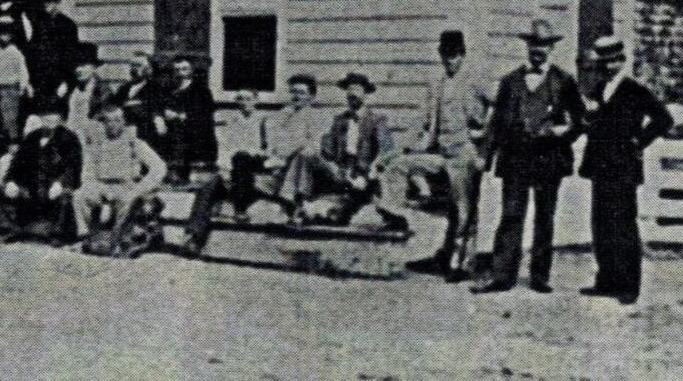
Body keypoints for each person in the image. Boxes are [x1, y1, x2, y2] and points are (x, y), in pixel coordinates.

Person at [474, 18, 585, 295]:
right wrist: (485, 157)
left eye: (544, 45)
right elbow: (497, 123)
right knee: (511, 215)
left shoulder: (564, 81)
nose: (539, 50)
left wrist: (562, 133)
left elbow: (580, 121)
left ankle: (540, 276)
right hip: (515, 159)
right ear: (527, 46)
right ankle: (502, 275)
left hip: (549, 159)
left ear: (551, 48)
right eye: (534, 44)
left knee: (544, 218)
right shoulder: (510, 82)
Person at [386, 29, 493, 280]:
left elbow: (500, 104)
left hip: (465, 154)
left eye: (455, 55)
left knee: (464, 210)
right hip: (440, 152)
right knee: (401, 166)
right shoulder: (437, 83)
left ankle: (461, 263)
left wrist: (484, 136)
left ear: (463, 55)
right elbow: (423, 120)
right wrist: (405, 146)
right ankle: (396, 215)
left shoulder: (476, 80)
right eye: (445, 55)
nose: (450, 60)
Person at [577, 35, 673, 304]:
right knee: (601, 225)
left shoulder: (635, 90)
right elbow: (592, 121)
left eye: (613, 61)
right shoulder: (597, 90)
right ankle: (607, 280)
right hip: (600, 165)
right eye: (603, 62)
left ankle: (630, 285)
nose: (608, 67)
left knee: (624, 226)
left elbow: (664, 119)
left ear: (622, 61)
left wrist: (639, 141)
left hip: (623, 167)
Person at [184, 80, 312, 253]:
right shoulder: (228, 122)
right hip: (232, 170)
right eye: (240, 99)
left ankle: (240, 206)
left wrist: (260, 154)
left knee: (243, 157)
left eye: (248, 98)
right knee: (206, 189)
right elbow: (223, 150)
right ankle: (193, 236)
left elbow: (271, 148)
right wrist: (224, 171)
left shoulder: (265, 121)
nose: (244, 102)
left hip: (254, 167)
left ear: (256, 100)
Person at [297, 72, 405, 230]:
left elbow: (386, 152)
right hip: (342, 173)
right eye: (349, 90)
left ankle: (333, 212)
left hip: (364, 177)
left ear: (365, 93)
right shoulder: (339, 121)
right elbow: (328, 151)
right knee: (308, 154)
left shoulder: (376, 120)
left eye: (356, 89)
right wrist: (330, 164)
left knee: (340, 214)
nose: (352, 94)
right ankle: (300, 201)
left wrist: (368, 175)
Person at [74, 102, 167, 251]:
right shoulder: (98, 143)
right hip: (102, 185)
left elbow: (159, 167)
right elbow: (88, 170)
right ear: (103, 123)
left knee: (127, 199)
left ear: (124, 121)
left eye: (117, 120)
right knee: (80, 196)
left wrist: (141, 188)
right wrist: (90, 184)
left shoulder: (134, 142)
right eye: (108, 121)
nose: (113, 124)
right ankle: (89, 238)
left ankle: (117, 240)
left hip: (126, 185)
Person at [0, 96, 83, 240]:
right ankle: (12, 230)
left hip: (54, 186)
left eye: (53, 114)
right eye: (45, 114)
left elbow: (73, 167)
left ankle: (56, 234)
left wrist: (61, 183)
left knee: (65, 197)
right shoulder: (32, 137)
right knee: (3, 189)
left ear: (60, 118)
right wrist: (11, 180)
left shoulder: (69, 138)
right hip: (31, 186)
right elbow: (17, 163)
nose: (49, 118)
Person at [155, 54, 217, 182]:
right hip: (169, 132)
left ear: (191, 71)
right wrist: (158, 118)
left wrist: (179, 116)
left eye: (184, 69)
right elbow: (157, 107)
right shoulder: (168, 90)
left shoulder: (201, 91)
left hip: (194, 135)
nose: (180, 73)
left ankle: (178, 175)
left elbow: (204, 116)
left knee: (179, 136)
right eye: (177, 70)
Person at [23, 0, 82, 101]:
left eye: (53, 0)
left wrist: (67, 82)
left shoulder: (68, 25)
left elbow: (71, 57)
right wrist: (28, 81)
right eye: (46, 0)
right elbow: (30, 54)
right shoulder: (36, 23)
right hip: (38, 81)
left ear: (59, 1)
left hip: (59, 82)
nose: (48, 4)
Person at [0, 17, 31, 146]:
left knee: (10, 117)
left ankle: (13, 142)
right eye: (1, 34)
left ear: (11, 35)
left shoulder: (15, 52)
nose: (3, 37)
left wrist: (22, 87)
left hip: (10, 88)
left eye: (7, 34)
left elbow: (23, 71)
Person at [64, 43, 111, 131]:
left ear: (94, 67)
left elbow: (105, 119)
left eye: (83, 65)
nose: (78, 70)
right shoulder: (69, 88)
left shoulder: (103, 91)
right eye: (76, 66)